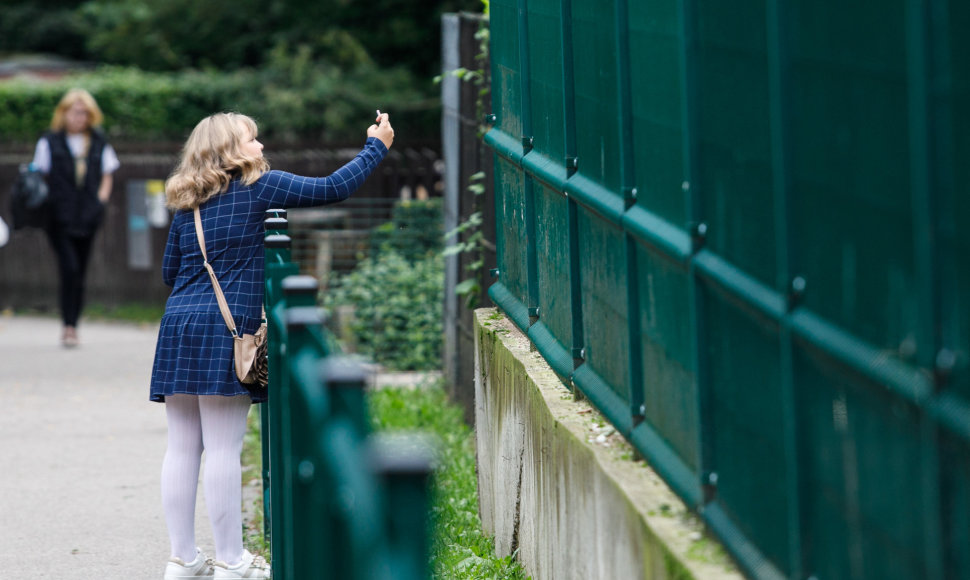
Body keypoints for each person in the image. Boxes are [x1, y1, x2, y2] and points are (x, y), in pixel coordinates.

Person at [150, 111, 394, 579]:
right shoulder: (260, 187)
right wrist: (375, 146)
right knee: (223, 448)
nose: (262, 147)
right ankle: (231, 561)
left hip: (177, 325)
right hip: (227, 328)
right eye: (253, 139)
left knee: (181, 447)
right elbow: (331, 189)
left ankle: (182, 559)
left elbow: (169, 272)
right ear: (231, 151)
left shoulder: (186, 202)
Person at [31, 88, 121, 347]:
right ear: (64, 113)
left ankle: (73, 325)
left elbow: (107, 174)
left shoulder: (98, 141)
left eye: (84, 112)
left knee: (79, 271)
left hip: (88, 216)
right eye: (75, 112)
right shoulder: (49, 141)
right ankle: (68, 325)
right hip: (58, 217)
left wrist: (101, 201)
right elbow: (39, 175)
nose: (79, 117)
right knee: (68, 268)